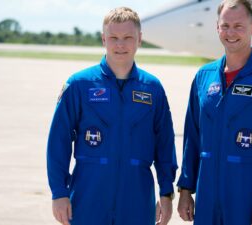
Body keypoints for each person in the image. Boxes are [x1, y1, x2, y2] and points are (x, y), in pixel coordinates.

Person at [47, 7, 177, 225]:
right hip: (89, 195)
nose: (120, 45)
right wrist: (59, 192)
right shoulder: (79, 85)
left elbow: (165, 144)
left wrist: (166, 192)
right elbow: (58, 141)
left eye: (128, 37)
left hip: (137, 196)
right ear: (103, 39)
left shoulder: (153, 88)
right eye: (114, 38)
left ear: (140, 39)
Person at [176, 0, 252, 224]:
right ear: (217, 27)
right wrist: (185, 189)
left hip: (247, 198)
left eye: (238, 26)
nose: (231, 32)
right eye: (225, 26)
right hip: (207, 197)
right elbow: (192, 138)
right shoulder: (204, 76)